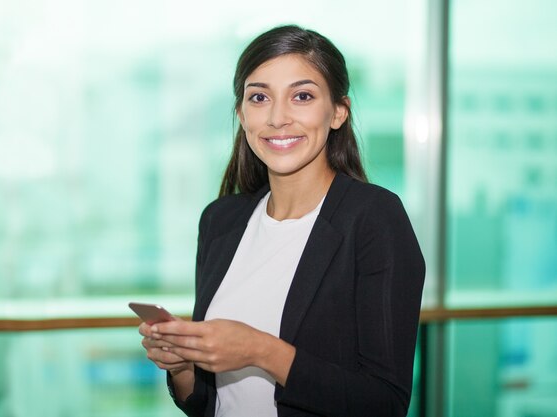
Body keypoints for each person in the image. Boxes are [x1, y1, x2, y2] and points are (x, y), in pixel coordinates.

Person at [139, 25, 425, 417]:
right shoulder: (220, 221)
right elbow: (210, 402)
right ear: (242, 113)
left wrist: (263, 351)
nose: (277, 117)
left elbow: (384, 404)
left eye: (302, 96)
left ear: (339, 112)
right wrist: (184, 365)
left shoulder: (374, 219)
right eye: (259, 97)